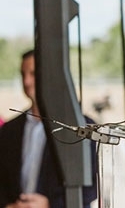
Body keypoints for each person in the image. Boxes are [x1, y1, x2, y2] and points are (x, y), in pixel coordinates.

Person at [0, 49, 98, 208]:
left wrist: (51, 205)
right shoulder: (9, 130)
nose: (26, 82)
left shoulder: (82, 128)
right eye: (23, 74)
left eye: (33, 74)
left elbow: (93, 185)